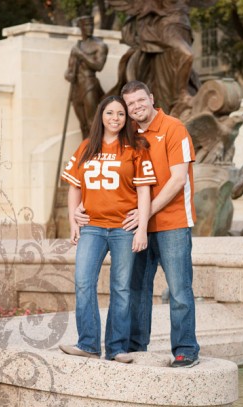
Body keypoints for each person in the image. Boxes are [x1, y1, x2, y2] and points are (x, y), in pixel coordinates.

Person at [75, 80, 200, 368]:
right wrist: (84, 205)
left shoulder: (174, 128)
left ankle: (185, 350)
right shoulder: (126, 134)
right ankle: (134, 345)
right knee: (135, 289)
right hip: (132, 227)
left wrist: (145, 214)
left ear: (151, 99)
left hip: (172, 223)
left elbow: (178, 179)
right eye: (130, 104)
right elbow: (105, 172)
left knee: (179, 290)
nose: (136, 107)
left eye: (140, 101)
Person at [60, 95, 156, 363]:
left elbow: (144, 190)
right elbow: (74, 186)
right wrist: (73, 219)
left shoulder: (136, 147)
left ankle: (117, 349)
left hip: (124, 228)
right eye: (110, 113)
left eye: (121, 114)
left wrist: (142, 228)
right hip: (92, 227)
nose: (115, 118)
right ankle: (89, 344)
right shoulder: (87, 146)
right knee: (83, 282)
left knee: (122, 288)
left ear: (126, 119)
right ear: (101, 115)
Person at [65, 15, 108, 140]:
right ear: (81, 27)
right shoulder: (76, 47)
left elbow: (99, 66)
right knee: (83, 125)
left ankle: (96, 151)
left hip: (90, 84)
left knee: (92, 122)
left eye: (91, 25)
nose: (90, 28)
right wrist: (69, 75)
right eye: (86, 25)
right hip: (76, 88)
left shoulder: (100, 45)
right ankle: (86, 152)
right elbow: (69, 69)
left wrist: (82, 55)